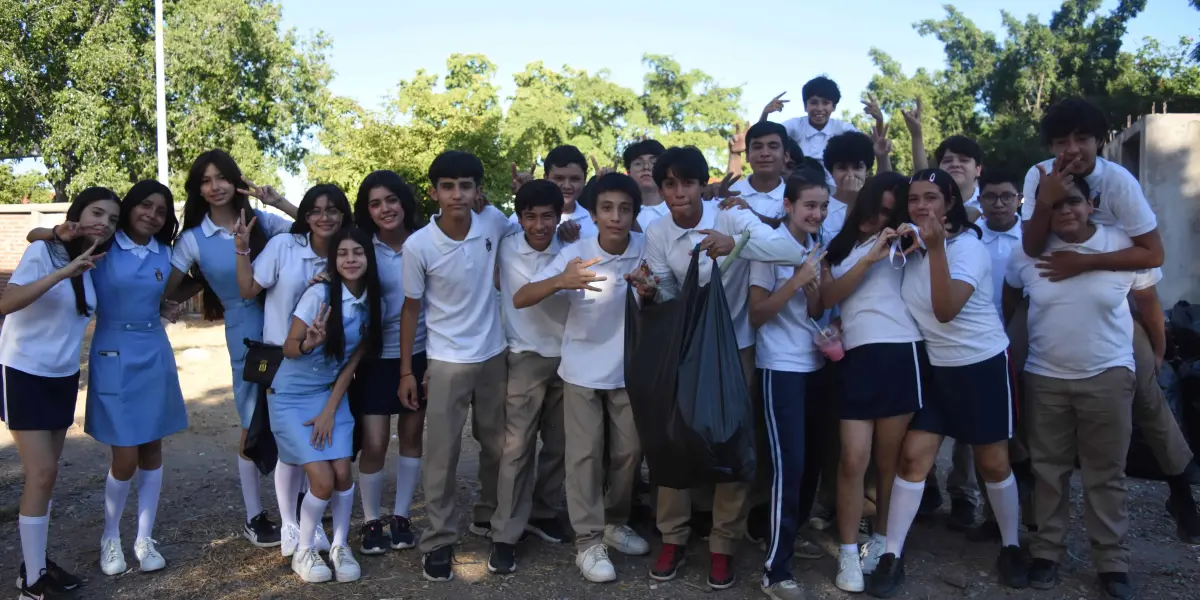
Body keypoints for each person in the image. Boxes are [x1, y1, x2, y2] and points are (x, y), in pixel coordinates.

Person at [1020, 98, 1199, 541]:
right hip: (1049, 290)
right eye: (1061, 140)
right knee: (1017, 373)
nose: (1072, 148)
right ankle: (1024, 488)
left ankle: (1181, 488)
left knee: (1145, 390)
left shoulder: (1118, 182)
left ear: (1099, 140)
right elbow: (1029, 245)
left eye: (1082, 138)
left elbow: (1152, 255)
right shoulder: (1038, 175)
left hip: (1110, 293)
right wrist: (1045, 202)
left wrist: (1084, 263)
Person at [641, 146, 810, 590]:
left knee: (734, 443)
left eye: (689, 183)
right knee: (677, 439)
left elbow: (789, 252)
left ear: (703, 184)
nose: (680, 193)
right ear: (661, 191)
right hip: (687, 347)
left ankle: (722, 545)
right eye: (670, 185)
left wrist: (735, 243)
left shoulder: (730, 214)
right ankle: (673, 538)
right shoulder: (658, 231)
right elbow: (668, 289)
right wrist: (648, 291)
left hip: (737, 347)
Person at [869, 169, 1029, 597]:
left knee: (993, 464)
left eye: (932, 198)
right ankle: (891, 554)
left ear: (950, 203)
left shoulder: (968, 249)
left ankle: (1011, 545)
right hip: (936, 369)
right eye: (915, 198)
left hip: (982, 366)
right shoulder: (909, 246)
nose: (922, 206)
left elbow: (945, 310)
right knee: (913, 460)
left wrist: (935, 247)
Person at [1005, 172, 1157, 600]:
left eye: (1073, 201)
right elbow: (1011, 297)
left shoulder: (1122, 243)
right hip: (1045, 376)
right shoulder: (1029, 251)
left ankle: (1112, 562)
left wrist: (1157, 354)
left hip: (1107, 374)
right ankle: (1047, 552)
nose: (1066, 210)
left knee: (1105, 473)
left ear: (1092, 203)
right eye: (1054, 204)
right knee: (1048, 469)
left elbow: (1148, 304)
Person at [513, 172, 651, 582]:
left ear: (634, 215)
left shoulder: (646, 249)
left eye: (625, 209)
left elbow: (668, 290)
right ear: (593, 214)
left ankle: (615, 521)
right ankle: (588, 542)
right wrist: (561, 280)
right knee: (585, 455)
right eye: (607, 208)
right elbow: (521, 297)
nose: (616, 217)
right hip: (581, 371)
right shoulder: (577, 252)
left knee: (629, 454)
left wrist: (652, 291)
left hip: (629, 370)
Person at [169, 149, 297, 548]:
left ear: (235, 179)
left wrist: (276, 201)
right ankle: (254, 515)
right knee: (252, 422)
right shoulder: (192, 240)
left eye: (221, 177)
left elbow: (314, 228)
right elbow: (168, 285)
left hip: (289, 328)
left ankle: (300, 504)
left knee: (293, 415)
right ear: (198, 189)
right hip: (246, 337)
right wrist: (172, 301)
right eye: (205, 180)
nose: (215, 186)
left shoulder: (265, 222)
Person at [400, 150, 515, 582]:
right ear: (434, 192)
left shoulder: (494, 221)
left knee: (497, 445)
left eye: (466, 185)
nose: (457, 194)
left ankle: (486, 515)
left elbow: (529, 234)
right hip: (446, 361)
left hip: (492, 354)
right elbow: (412, 310)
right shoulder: (418, 245)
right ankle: (439, 539)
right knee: (442, 455)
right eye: (447, 186)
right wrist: (408, 371)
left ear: (478, 190)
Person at [2, 187, 119, 598]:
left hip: (63, 375)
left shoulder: (95, 264)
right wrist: (60, 271)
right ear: (76, 214)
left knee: (46, 478)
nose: (103, 223)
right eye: (96, 213)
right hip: (22, 371)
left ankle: (34, 566)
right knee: (42, 472)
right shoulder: (46, 253)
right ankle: (32, 585)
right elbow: (7, 302)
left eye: (112, 219)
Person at [816, 172, 928, 592]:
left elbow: (926, 230)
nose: (879, 217)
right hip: (855, 358)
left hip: (901, 353)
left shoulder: (904, 239)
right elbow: (827, 299)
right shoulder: (839, 246)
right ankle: (848, 552)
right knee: (851, 459)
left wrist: (904, 230)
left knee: (888, 462)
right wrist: (868, 257)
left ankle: (881, 545)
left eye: (889, 211)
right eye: (875, 208)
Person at [235, 183, 353, 557]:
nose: (324, 217)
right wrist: (241, 248)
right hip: (281, 361)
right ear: (305, 216)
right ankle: (290, 525)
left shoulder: (348, 254)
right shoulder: (285, 246)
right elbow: (248, 288)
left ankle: (310, 521)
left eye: (332, 210)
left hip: (327, 367)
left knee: (314, 446)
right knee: (289, 447)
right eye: (316, 210)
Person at [267, 226, 382, 583]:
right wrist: (309, 343)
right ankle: (304, 550)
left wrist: (331, 409)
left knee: (344, 473)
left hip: (330, 394)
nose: (350, 259)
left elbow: (352, 364)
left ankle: (339, 545)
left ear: (368, 258)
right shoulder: (319, 294)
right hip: (289, 395)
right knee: (321, 479)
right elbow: (288, 348)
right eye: (342, 253)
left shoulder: (373, 301)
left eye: (358, 252)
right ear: (333, 261)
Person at [746, 175, 830, 599]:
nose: (815, 214)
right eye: (808, 206)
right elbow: (757, 313)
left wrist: (813, 292)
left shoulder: (818, 246)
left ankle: (788, 539)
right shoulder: (768, 248)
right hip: (780, 367)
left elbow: (815, 309)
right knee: (789, 466)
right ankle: (775, 571)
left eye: (822, 207)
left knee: (812, 462)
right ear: (788, 205)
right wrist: (796, 281)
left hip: (816, 365)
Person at [487, 180, 572, 574]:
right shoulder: (507, 244)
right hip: (525, 355)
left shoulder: (574, 243)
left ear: (559, 217)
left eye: (547, 217)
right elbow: (521, 294)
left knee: (560, 444)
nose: (539, 225)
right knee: (517, 448)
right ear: (519, 218)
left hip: (570, 356)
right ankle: (505, 533)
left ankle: (543, 511)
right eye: (531, 216)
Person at [348, 171, 427, 554]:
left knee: (412, 436)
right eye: (375, 203)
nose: (384, 209)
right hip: (375, 356)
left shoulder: (426, 239)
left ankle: (401, 517)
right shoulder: (362, 245)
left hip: (421, 353)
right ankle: (371, 520)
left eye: (390, 200)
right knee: (375, 442)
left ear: (404, 201)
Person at [760, 76, 858, 164]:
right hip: (799, 182)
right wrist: (765, 113)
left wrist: (874, 119)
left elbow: (864, 149)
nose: (819, 108)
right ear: (805, 106)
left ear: (834, 106)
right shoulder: (795, 125)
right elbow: (762, 137)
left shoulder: (843, 129)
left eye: (825, 103)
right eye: (814, 103)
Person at [512, 145, 597, 242]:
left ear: (584, 180)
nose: (567, 186)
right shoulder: (518, 219)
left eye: (574, 179)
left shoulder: (592, 224)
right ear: (546, 178)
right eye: (559, 178)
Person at [728, 121, 790, 226]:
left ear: (786, 156)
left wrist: (749, 212)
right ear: (747, 156)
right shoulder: (730, 192)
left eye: (773, 146)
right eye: (757, 147)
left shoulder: (795, 197)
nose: (765, 153)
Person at [823, 131, 876, 237]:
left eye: (857, 167)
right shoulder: (822, 207)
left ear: (867, 172)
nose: (850, 174)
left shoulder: (875, 205)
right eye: (842, 168)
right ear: (831, 172)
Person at [935, 135, 984, 222]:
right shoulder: (927, 205)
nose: (955, 164)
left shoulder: (991, 203)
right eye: (947, 161)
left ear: (978, 169)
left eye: (964, 160)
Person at [624, 139, 668, 230]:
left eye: (654, 163)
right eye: (638, 163)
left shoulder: (676, 210)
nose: (646, 167)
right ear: (628, 172)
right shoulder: (620, 213)